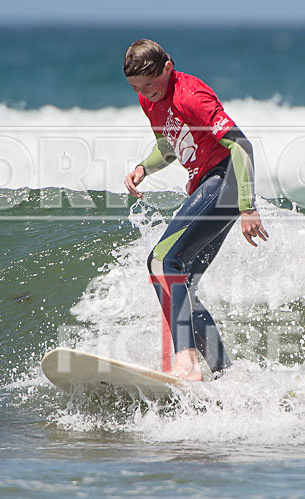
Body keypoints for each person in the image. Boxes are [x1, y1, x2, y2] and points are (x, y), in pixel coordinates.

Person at [123, 39, 268, 381]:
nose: (146, 92)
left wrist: (247, 206)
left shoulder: (192, 95)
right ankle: (224, 373)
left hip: (225, 183)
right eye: (137, 88)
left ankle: (186, 360)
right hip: (210, 186)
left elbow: (241, 144)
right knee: (182, 284)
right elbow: (170, 147)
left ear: (168, 67)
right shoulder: (149, 100)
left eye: (151, 83)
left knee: (161, 260)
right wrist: (144, 167)